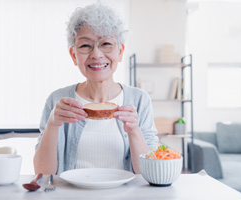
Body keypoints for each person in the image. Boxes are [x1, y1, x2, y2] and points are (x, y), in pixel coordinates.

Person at [34, 3, 158, 175]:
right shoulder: (58, 100)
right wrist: (52, 124)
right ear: (73, 55)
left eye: (106, 44)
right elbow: (42, 173)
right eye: (85, 46)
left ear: (120, 52)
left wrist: (134, 131)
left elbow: (149, 173)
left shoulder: (139, 100)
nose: (97, 54)